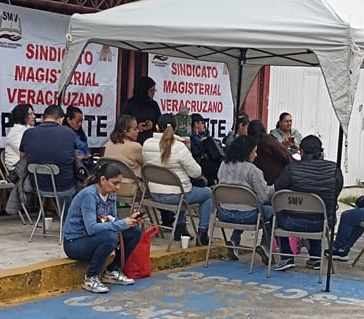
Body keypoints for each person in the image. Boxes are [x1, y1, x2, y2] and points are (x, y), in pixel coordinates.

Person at [62, 163, 142, 293]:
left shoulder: (111, 195)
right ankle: (91, 277)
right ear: (103, 180)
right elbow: (92, 227)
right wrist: (121, 224)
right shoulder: (89, 195)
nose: (118, 187)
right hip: (75, 242)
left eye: (119, 183)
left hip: (94, 237)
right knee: (110, 237)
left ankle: (113, 270)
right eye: (115, 183)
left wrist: (130, 221)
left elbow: (113, 219)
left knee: (134, 232)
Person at [272, 135, 343, 271]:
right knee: (317, 212)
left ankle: (287, 257)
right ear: (321, 151)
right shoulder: (334, 169)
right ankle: (316, 258)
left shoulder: (292, 169)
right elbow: (336, 193)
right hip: (324, 223)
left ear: (302, 152)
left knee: (273, 216)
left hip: (292, 222)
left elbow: (277, 190)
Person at [142, 113, 213, 245]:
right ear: (174, 129)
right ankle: (202, 232)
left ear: (157, 127)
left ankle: (181, 227)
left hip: (154, 194)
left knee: (182, 188)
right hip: (176, 197)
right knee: (207, 193)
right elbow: (196, 172)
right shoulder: (179, 146)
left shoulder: (147, 144)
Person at [216, 135, 274, 263]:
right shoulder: (253, 170)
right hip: (248, 216)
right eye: (254, 151)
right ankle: (265, 245)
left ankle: (235, 241)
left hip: (223, 213)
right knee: (270, 211)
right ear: (247, 152)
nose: (256, 155)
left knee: (243, 204)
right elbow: (263, 197)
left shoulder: (223, 165)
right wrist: (273, 189)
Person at [19, 105, 77, 219]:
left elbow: (22, 158)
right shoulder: (69, 133)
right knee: (79, 187)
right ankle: (69, 225)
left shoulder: (29, 133)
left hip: (37, 184)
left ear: (42, 118)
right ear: (61, 119)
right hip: (64, 185)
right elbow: (74, 156)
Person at [103, 114, 143, 197]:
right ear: (126, 131)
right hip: (129, 188)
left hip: (109, 186)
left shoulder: (109, 144)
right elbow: (146, 165)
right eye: (135, 129)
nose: (138, 131)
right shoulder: (135, 147)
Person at [247, 119, 293, 185]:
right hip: (274, 180)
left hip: (254, 180)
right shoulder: (268, 141)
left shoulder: (248, 143)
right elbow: (286, 155)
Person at [122, 76, 161, 145]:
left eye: (154, 90)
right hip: (134, 142)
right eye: (151, 91)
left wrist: (152, 125)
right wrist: (136, 127)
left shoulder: (154, 105)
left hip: (151, 141)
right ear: (144, 91)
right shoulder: (130, 104)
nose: (153, 93)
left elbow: (160, 122)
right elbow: (123, 123)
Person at [63, 106, 95, 173]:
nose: (80, 124)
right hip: (73, 167)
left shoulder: (80, 134)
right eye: (77, 122)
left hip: (86, 164)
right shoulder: (63, 133)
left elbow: (87, 152)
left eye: (81, 122)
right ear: (68, 120)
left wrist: (88, 157)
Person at [4, 104, 35, 170]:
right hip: (17, 170)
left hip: (28, 166)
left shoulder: (29, 129)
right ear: (22, 116)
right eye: (31, 114)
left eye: (33, 113)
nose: (34, 116)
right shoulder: (15, 131)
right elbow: (26, 152)